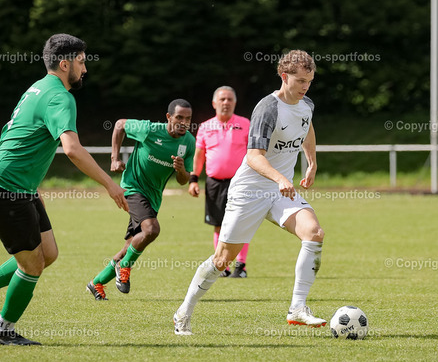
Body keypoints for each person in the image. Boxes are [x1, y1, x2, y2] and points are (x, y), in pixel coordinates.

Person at [0, 33, 128, 346]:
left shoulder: (38, 87)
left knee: (47, 253)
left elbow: (15, 130)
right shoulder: (61, 97)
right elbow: (72, 149)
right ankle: (3, 331)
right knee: (32, 264)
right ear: (65, 64)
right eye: (81, 62)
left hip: (19, 186)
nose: (85, 69)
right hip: (5, 188)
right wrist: (110, 185)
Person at [174, 50, 326, 335]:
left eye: (309, 81)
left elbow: (307, 128)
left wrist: (312, 163)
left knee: (314, 233)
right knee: (223, 260)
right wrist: (280, 178)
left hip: (279, 190)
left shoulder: (306, 104)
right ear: (284, 77)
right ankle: (183, 312)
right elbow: (254, 156)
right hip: (250, 189)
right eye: (300, 81)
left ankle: (297, 308)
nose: (305, 87)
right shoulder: (268, 108)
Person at [86, 99, 195, 300]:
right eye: (179, 117)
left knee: (131, 245)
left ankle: (96, 283)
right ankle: (124, 266)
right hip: (133, 187)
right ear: (169, 117)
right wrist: (114, 159)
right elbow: (119, 125)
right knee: (151, 230)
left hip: (153, 197)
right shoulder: (150, 129)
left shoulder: (188, 142)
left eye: (188, 119)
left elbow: (183, 180)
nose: (184, 122)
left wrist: (180, 170)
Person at [188, 86, 250, 278]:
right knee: (218, 225)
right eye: (222, 99)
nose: (226, 103)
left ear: (235, 103)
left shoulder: (245, 124)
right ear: (214, 103)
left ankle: (241, 266)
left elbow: (254, 154)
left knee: (241, 224)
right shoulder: (205, 127)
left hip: (240, 183)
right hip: (214, 183)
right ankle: (222, 266)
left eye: (230, 99)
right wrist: (193, 179)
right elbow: (199, 155)